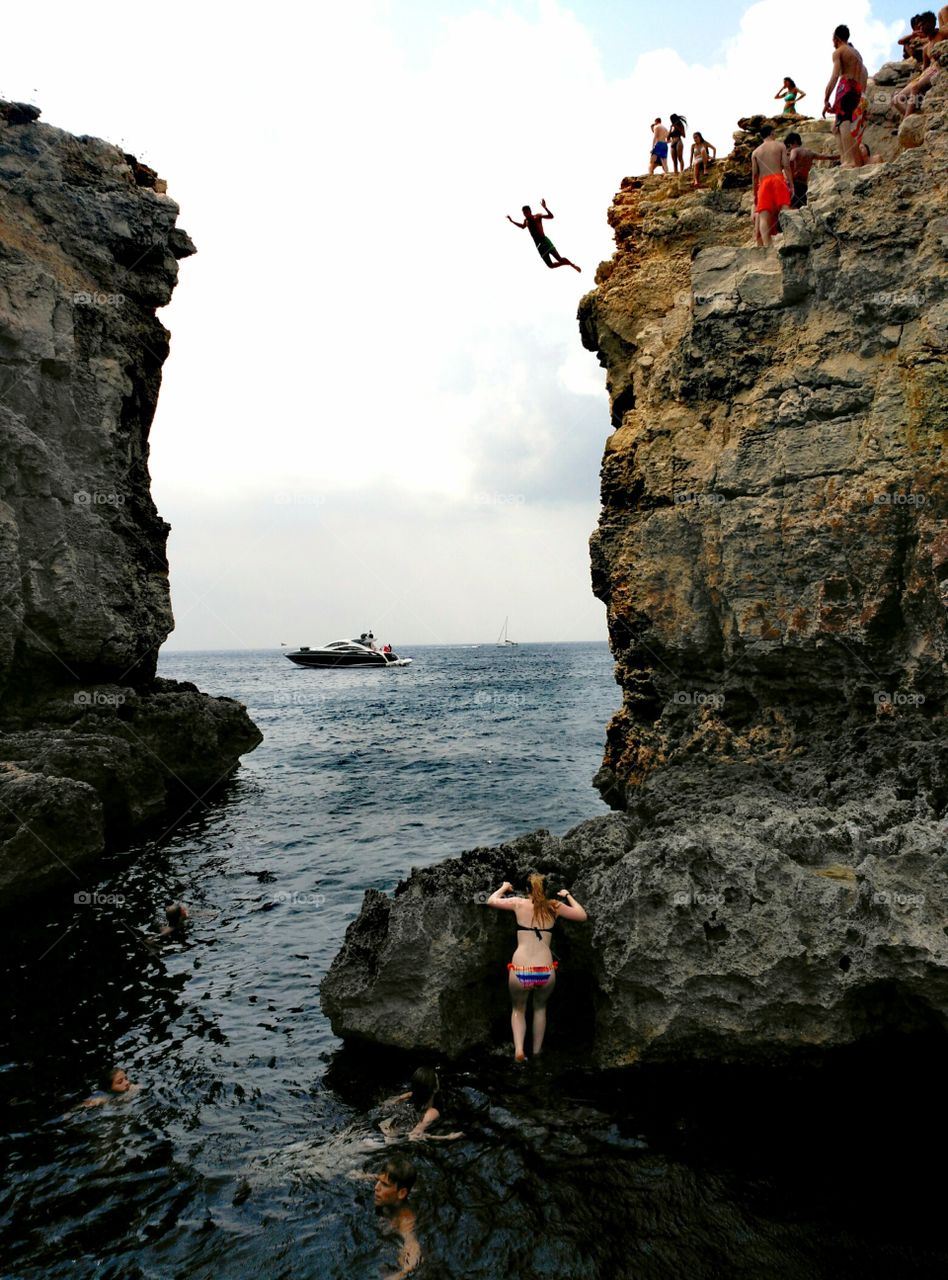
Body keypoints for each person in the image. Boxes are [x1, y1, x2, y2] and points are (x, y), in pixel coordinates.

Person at [486, 872, 587, 1061]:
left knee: (519, 1009)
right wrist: (568, 896)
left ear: (526, 890)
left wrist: (504, 888)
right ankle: (537, 1051)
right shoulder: (554, 906)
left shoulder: (518, 903)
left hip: (521, 971)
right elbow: (582, 916)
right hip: (545, 972)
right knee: (540, 1008)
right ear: (546, 890)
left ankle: (518, 1051)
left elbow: (491, 901)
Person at [822, 24, 868, 167]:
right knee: (837, 125)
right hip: (858, 89)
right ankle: (846, 159)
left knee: (843, 122)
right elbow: (864, 74)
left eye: (832, 40)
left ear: (836, 38)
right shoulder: (856, 53)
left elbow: (835, 75)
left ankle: (849, 160)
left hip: (846, 86)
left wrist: (826, 97)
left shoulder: (839, 52)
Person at [380, 1066, 463, 1142]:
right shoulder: (431, 1112)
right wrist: (447, 1137)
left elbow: (400, 1098)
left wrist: (395, 1100)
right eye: (437, 1079)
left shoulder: (411, 1095)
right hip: (388, 1139)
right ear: (435, 1089)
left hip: (386, 1127)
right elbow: (415, 1135)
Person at [373, 1156, 422, 1280]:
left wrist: (401, 1273)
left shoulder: (405, 1219)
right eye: (378, 1181)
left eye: (384, 1185)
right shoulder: (386, 1197)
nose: (376, 1187)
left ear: (402, 1193)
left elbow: (412, 1242)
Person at [893, 9, 945, 117]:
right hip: (928, 72)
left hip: (939, 68)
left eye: (923, 25)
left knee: (915, 88)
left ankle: (906, 122)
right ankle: (913, 118)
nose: (921, 28)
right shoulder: (926, 47)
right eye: (919, 26)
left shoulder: (942, 33)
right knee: (896, 99)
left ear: (931, 23)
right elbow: (925, 68)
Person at [506, 199, 581, 272]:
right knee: (550, 265)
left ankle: (572, 265)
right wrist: (512, 221)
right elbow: (522, 227)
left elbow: (551, 216)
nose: (525, 214)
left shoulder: (537, 216)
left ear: (530, 211)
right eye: (524, 213)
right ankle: (567, 263)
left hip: (544, 240)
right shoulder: (526, 221)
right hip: (538, 245)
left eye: (526, 212)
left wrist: (545, 207)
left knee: (559, 259)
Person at [751, 125, 793, 248]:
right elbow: (786, 166)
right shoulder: (780, 145)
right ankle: (791, 237)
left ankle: (767, 246)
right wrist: (790, 182)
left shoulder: (756, 152)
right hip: (778, 178)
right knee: (785, 208)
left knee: (764, 215)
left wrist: (755, 193)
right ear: (772, 133)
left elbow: (754, 175)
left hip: (763, 182)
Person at [784, 132, 837, 207]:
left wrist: (789, 177)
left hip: (795, 183)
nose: (789, 148)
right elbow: (828, 157)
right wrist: (841, 155)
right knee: (802, 207)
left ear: (794, 142)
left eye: (789, 145)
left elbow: (791, 161)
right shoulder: (810, 152)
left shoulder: (795, 150)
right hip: (804, 184)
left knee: (793, 207)